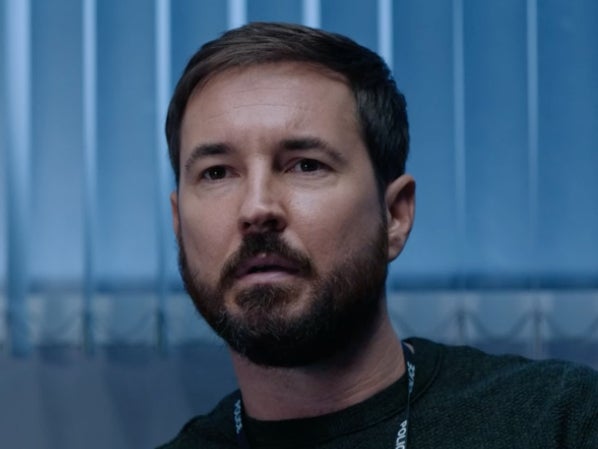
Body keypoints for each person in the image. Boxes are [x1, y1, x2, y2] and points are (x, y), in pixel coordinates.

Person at [158, 22, 598, 449]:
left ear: (395, 215)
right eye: (216, 173)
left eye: (306, 165)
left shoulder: (560, 421)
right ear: (178, 224)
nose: (256, 208)